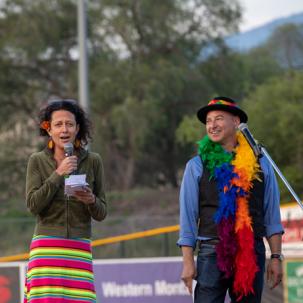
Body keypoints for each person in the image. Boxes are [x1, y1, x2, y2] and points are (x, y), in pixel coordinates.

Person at [178, 96, 284, 303]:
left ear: (236, 122)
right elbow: (188, 217)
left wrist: (276, 257)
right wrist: (188, 261)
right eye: (208, 121)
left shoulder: (261, 161)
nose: (212, 125)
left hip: (251, 251)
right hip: (211, 251)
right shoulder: (196, 165)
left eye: (218, 119)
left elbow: (272, 214)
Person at [24, 99, 107, 303]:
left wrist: (91, 199)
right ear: (48, 129)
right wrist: (58, 173)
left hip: (78, 247)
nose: (64, 129)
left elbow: (102, 212)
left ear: (78, 128)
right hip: (46, 247)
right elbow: (33, 205)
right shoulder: (37, 160)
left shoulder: (93, 161)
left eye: (69, 124)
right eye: (58, 124)